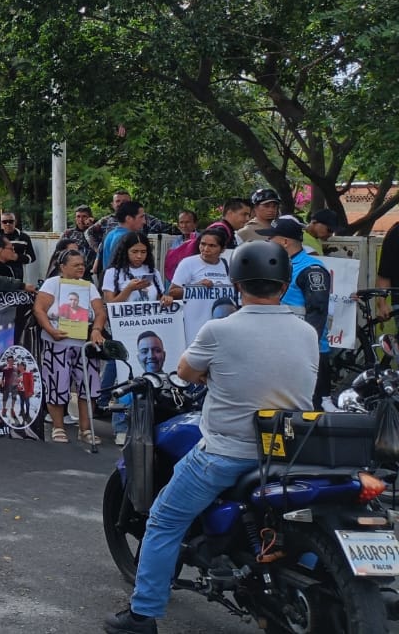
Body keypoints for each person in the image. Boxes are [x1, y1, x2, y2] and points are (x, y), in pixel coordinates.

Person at [104, 241, 318, 634]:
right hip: (289, 452)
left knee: (164, 520)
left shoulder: (220, 329)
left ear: (235, 283)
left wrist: (210, 374)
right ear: (285, 282)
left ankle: (142, 616)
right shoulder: (305, 332)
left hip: (226, 452)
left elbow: (185, 372)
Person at [33, 250, 108, 445]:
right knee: (57, 383)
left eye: (82, 264)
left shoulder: (89, 287)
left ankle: (86, 429)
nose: (81, 268)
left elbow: (100, 312)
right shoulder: (52, 284)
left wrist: (97, 330)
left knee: (89, 386)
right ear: (62, 267)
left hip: (84, 345)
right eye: (76, 265)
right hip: (57, 342)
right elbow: (39, 309)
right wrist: (50, 330)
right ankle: (58, 427)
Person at [261, 216, 334, 406]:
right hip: (283, 348)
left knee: (310, 410)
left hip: (308, 352)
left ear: (285, 242)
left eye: (271, 238)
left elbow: (317, 312)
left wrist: (305, 348)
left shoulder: (311, 269)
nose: (267, 242)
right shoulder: (280, 265)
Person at [94, 201, 147, 281]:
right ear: (128, 218)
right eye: (141, 217)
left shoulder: (110, 234)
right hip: (122, 285)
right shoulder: (126, 238)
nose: (144, 221)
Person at [47, 205, 100, 278]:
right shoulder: (69, 233)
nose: (81, 220)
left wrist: (93, 224)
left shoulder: (96, 234)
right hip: (69, 272)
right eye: (78, 216)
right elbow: (58, 253)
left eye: (84, 216)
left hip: (87, 272)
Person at [0, 212, 35, 277]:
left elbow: (32, 257)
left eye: (10, 221)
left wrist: (16, 257)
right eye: (4, 222)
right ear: (1, 223)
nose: (8, 224)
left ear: (15, 222)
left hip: (18, 274)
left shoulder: (24, 237)